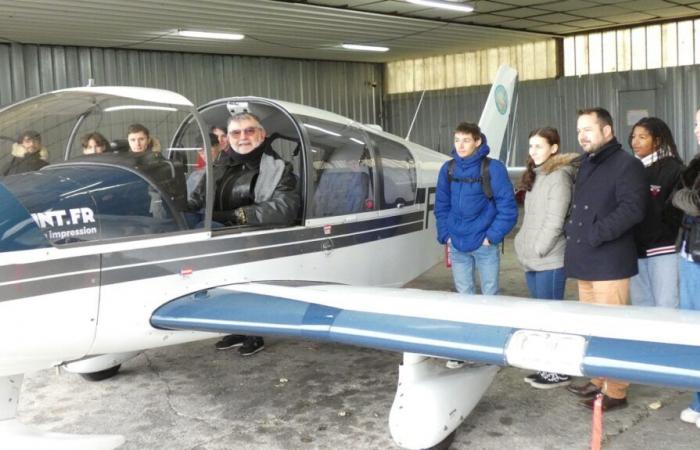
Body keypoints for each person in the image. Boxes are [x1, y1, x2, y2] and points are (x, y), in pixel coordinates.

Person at [564, 107, 647, 411]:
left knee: (614, 329)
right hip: (586, 258)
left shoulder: (627, 165)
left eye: (588, 129)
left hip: (609, 260)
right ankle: (599, 380)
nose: (581, 136)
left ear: (607, 131)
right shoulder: (587, 163)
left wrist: (596, 233)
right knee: (593, 327)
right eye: (578, 131)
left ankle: (617, 391)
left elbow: (632, 210)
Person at [201, 112, 300, 356]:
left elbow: (285, 208)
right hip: (219, 235)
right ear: (228, 138)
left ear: (262, 134)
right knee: (225, 286)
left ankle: (254, 333)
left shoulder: (279, 169)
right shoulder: (219, 166)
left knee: (249, 284)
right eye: (236, 132)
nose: (242, 137)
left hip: (254, 237)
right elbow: (198, 197)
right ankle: (238, 327)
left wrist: (240, 216)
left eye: (249, 131)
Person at [434, 122, 517, 368]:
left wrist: (491, 236)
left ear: (478, 141)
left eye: (466, 140)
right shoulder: (447, 169)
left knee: (490, 296)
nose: (460, 145)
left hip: (484, 243)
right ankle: (464, 347)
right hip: (457, 242)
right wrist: (446, 235)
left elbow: (508, 208)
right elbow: (441, 205)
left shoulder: (494, 169)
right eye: (457, 139)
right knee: (464, 297)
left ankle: (489, 346)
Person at [514, 127, 578, 389]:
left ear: (554, 148)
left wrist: (538, 248)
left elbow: (554, 221)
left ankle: (558, 369)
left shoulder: (559, 176)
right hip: (532, 257)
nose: (533, 151)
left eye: (539, 146)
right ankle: (546, 366)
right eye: (531, 146)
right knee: (540, 316)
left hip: (550, 258)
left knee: (552, 317)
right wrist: (523, 245)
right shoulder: (536, 175)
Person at [628, 117, 684, 308]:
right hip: (635, 250)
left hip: (663, 251)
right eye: (633, 136)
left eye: (642, 137)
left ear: (658, 140)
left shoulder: (674, 169)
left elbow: (677, 213)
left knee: (666, 305)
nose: (635, 142)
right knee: (641, 305)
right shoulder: (631, 168)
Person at [673, 108, 700, 427]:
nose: (697, 130)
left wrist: (680, 195)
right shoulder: (694, 163)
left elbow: (692, 203)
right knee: (693, 331)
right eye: (695, 123)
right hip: (689, 251)